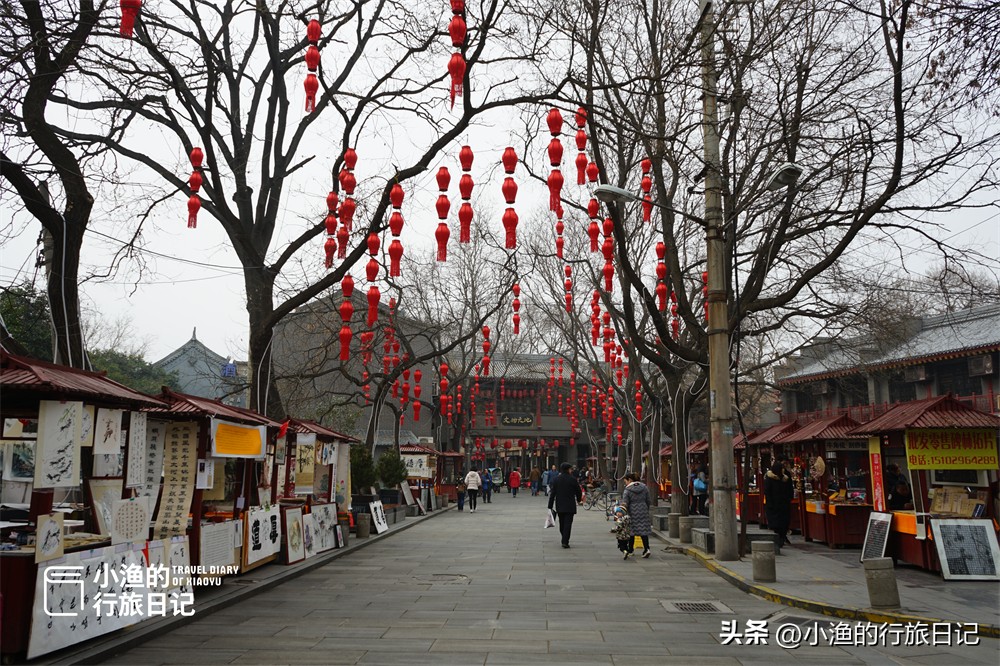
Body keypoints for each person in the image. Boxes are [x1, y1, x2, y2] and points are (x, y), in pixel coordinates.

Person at [548, 462, 583, 548]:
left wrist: (550, 505)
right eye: (571, 469)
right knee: (568, 524)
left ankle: (564, 537)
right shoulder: (573, 479)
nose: (571, 471)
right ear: (568, 469)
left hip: (560, 504)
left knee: (562, 523)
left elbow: (553, 493)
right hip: (570, 505)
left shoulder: (556, 479)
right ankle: (565, 540)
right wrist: (579, 499)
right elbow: (578, 491)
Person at [763, 462, 794, 553]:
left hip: (784, 505)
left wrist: (789, 499)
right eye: (781, 468)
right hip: (773, 506)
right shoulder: (769, 479)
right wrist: (770, 504)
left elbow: (790, 490)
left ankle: (782, 538)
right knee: (775, 523)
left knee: (784, 522)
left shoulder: (785, 479)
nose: (783, 470)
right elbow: (767, 492)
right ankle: (778, 539)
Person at [622, 472, 652, 559]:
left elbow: (625, 503)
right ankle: (647, 549)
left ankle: (630, 550)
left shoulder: (627, 490)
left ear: (629, 480)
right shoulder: (644, 487)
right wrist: (646, 508)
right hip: (643, 509)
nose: (625, 483)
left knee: (632, 531)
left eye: (625, 481)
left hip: (632, 511)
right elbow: (648, 500)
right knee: (644, 531)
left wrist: (622, 512)